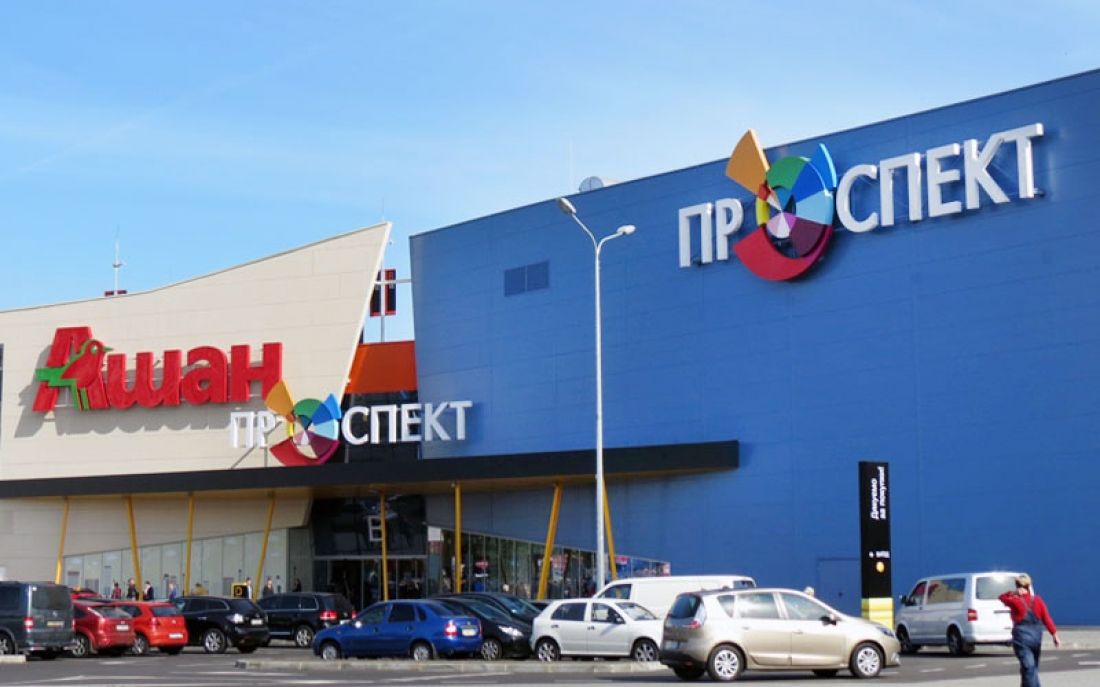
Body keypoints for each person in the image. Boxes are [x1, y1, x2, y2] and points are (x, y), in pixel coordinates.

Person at [1000, 573, 1060, 687]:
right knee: (1031, 668)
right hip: (1036, 638)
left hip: (1021, 639)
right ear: (1029, 586)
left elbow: (1002, 597)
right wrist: (1054, 635)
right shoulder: (1037, 600)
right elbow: (1046, 618)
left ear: (1017, 586)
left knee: (1028, 668)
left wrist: (1012, 593)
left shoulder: (1015, 601)